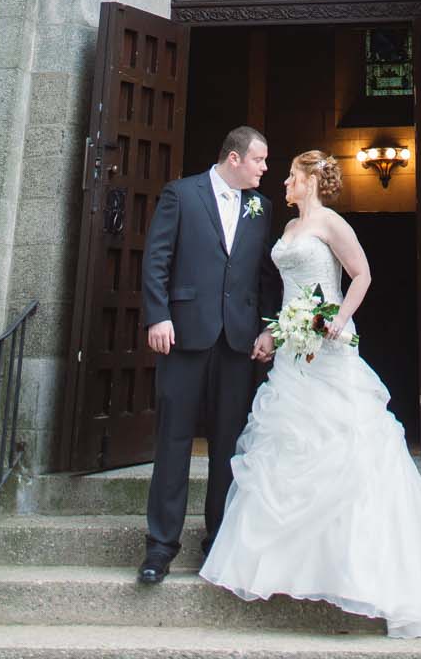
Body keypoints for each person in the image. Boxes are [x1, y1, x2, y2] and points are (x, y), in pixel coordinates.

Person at [200, 148, 421, 639]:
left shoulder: (333, 224)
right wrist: (275, 333)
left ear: (309, 180)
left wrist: (337, 320)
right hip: (292, 352)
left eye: (290, 175)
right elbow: (286, 291)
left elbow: (362, 274)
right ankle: (299, 564)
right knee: (287, 451)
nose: (282, 181)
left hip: (328, 347)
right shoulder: (284, 232)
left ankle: (358, 563)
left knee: (345, 448)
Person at [138, 125, 281, 584]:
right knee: (174, 441)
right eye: (259, 160)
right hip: (183, 335)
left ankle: (217, 541)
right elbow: (157, 258)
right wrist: (158, 316)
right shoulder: (181, 194)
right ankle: (160, 547)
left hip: (238, 343)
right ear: (234, 158)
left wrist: (267, 328)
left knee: (228, 448)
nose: (264, 168)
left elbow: (266, 277)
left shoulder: (262, 209)